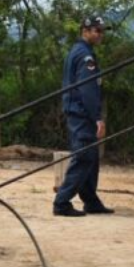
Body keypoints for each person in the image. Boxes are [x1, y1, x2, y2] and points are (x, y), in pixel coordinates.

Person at [53, 15, 115, 217]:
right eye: (97, 30)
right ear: (85, 31)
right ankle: (62, 202)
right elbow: (88, 90)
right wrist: (97, 117)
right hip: (82, 113)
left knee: (91, 158)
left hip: (78, 112)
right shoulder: (85, 56)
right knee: (84, 156)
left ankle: (91, 201)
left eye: (102, 31)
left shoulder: (80, 51)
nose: (100, 35)